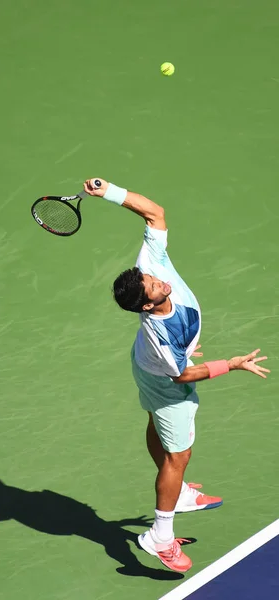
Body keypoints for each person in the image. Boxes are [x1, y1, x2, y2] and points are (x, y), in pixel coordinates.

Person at [83, 177, 270, 573]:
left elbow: (155, 213)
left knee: (159, 428)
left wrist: (110, 191)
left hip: (149, 365)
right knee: (179, 454)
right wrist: (232, 364)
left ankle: (179, 493)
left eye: (152, 278)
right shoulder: (161, 333)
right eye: (154, 287)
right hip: (167, 379)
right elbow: (184, 376)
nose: (160, 281)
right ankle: (160, 536)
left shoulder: (149, 266)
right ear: (148, 307)